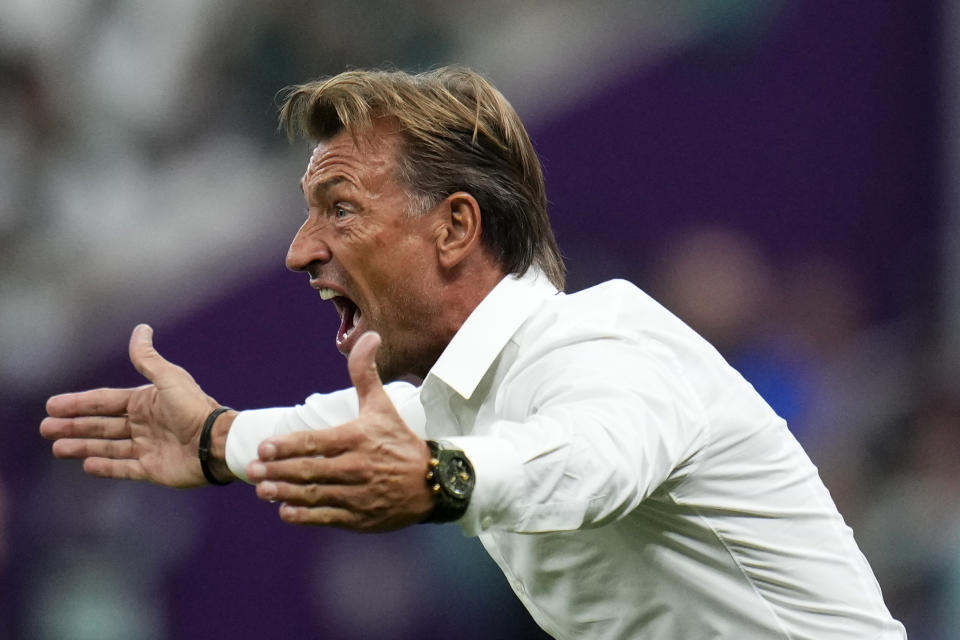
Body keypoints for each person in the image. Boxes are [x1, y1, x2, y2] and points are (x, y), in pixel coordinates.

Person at [40, 66, 906, 639]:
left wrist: (436, 481)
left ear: (456, 225)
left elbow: (580, 458)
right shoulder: (463, 396)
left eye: (339, 208)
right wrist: (214, 438)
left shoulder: (602, 343)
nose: (300, 250)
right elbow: (348, 427)